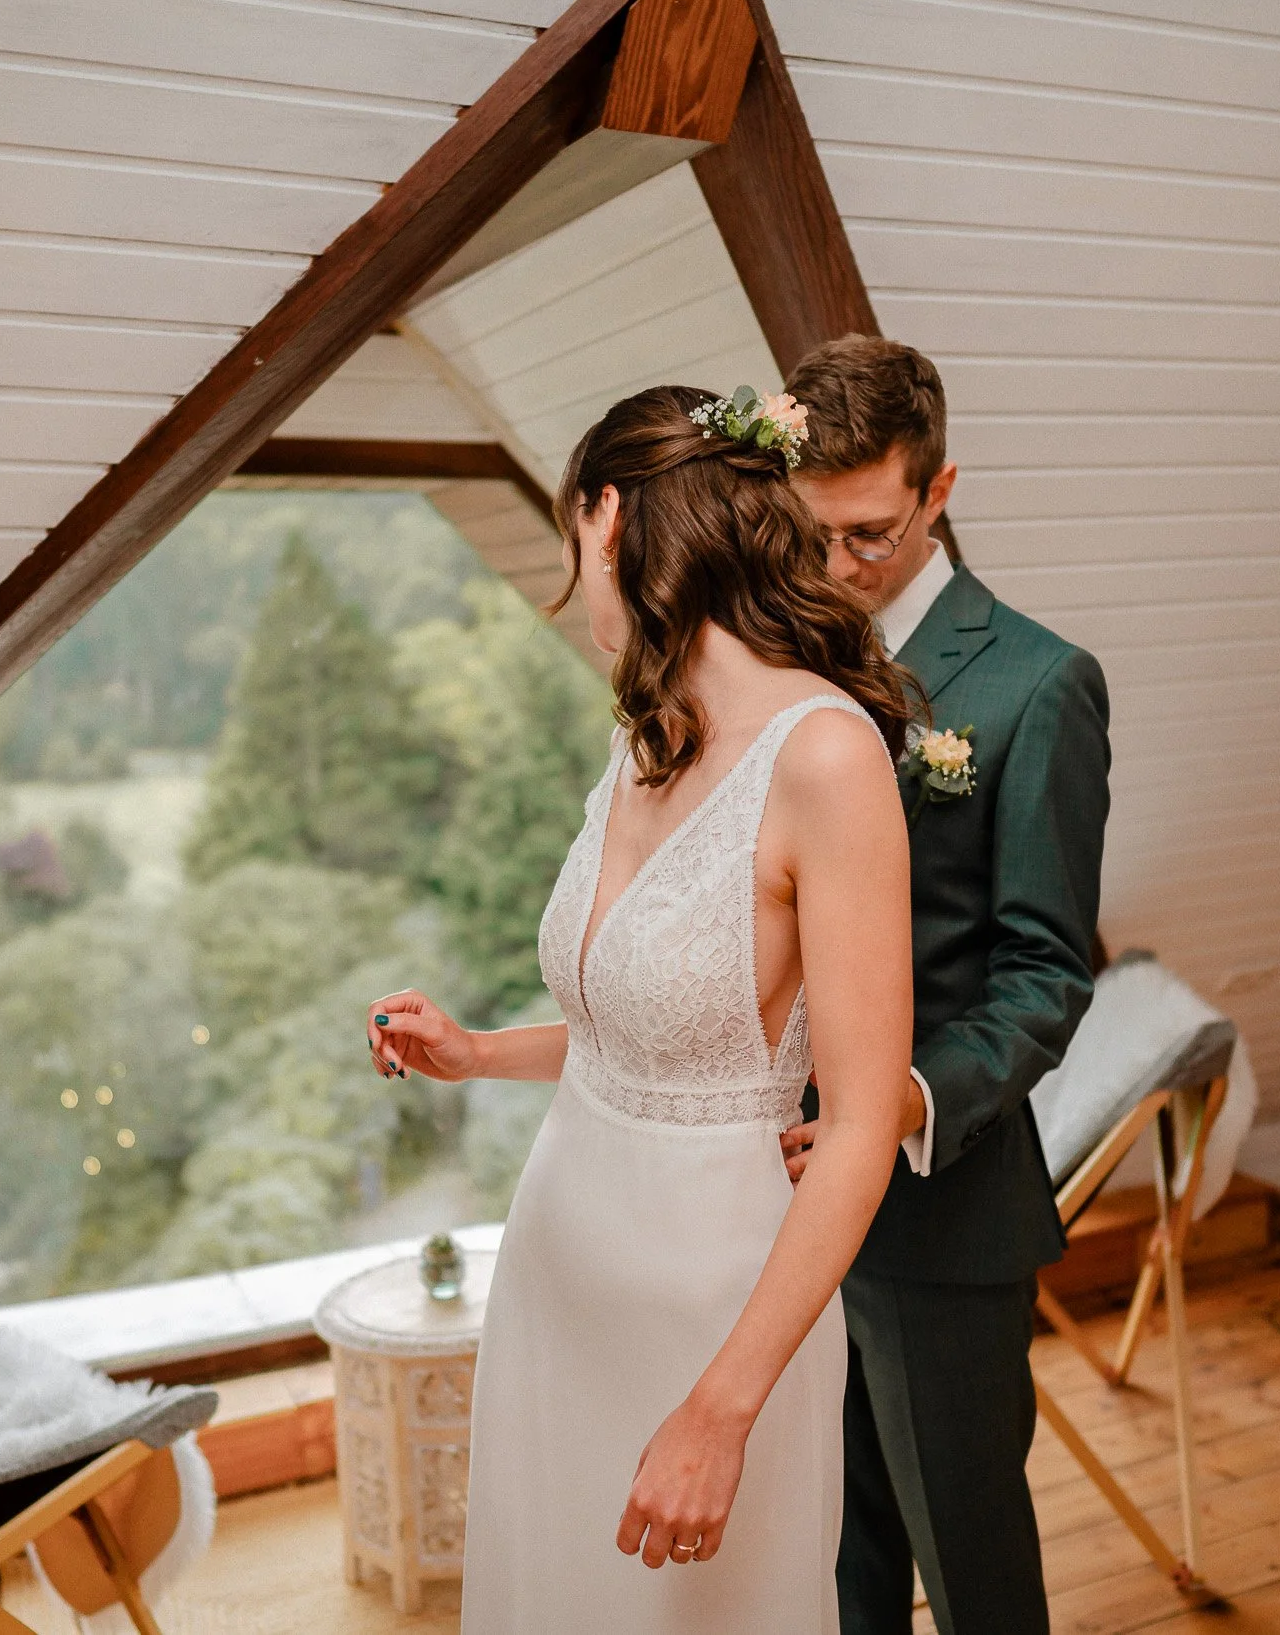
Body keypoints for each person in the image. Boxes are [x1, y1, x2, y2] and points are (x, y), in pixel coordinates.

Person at [364, 383, 920, 1634]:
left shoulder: (826, 755)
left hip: (711, 1313)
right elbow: (645, 1035)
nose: (578, 573)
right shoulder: (647, 736)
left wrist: (720, 1409)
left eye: (573, 533)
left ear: (607, 515)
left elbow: (860, 1124)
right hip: (556, 1278)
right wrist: (474, 1051)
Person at [778, 336, 1111, 1635]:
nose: (836, 565)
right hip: (779, 1198)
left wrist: (902, 1107)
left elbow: (1044, 972)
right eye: (812, 532)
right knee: (836, 1559)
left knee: (972, 1572)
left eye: (868, 532)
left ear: (939, 490)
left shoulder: (1038, 683)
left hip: (938, 1208)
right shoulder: (781, 661)